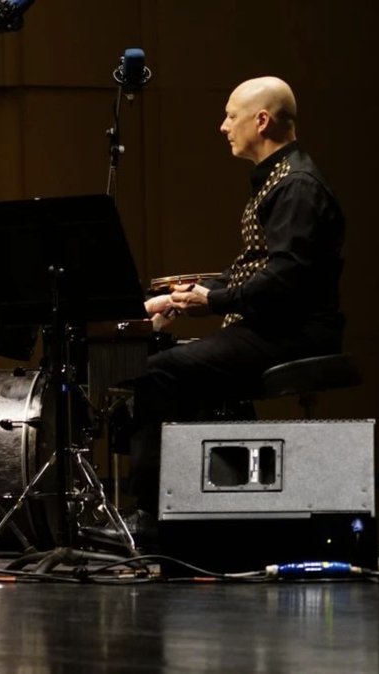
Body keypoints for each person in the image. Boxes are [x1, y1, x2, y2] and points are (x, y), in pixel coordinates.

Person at [117, 76, 345, 541]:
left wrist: (213, 300)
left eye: (231, 116)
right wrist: (188, 293)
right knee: (173, 365)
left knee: (154, 374)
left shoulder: (297, 186)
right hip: (271, 324)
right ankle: (199, 518)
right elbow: (256, 270)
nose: (223, 126)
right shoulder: (280, 178)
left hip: (293, 332)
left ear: (261, 121)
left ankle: (147, 519)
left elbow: (285, 279)